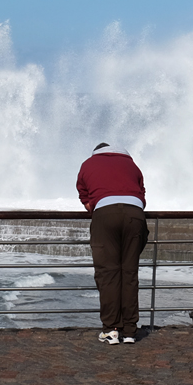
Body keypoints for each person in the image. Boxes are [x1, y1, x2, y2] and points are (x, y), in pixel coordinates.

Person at [76, 143, 147, 345]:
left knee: (109, 274)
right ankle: (131, 331)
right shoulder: (132, 164)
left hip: (105, 215)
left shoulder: (88, 164)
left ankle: (111, 330)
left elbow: (88, 202)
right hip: (135, 215)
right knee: (129, 273)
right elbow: (141, 195)